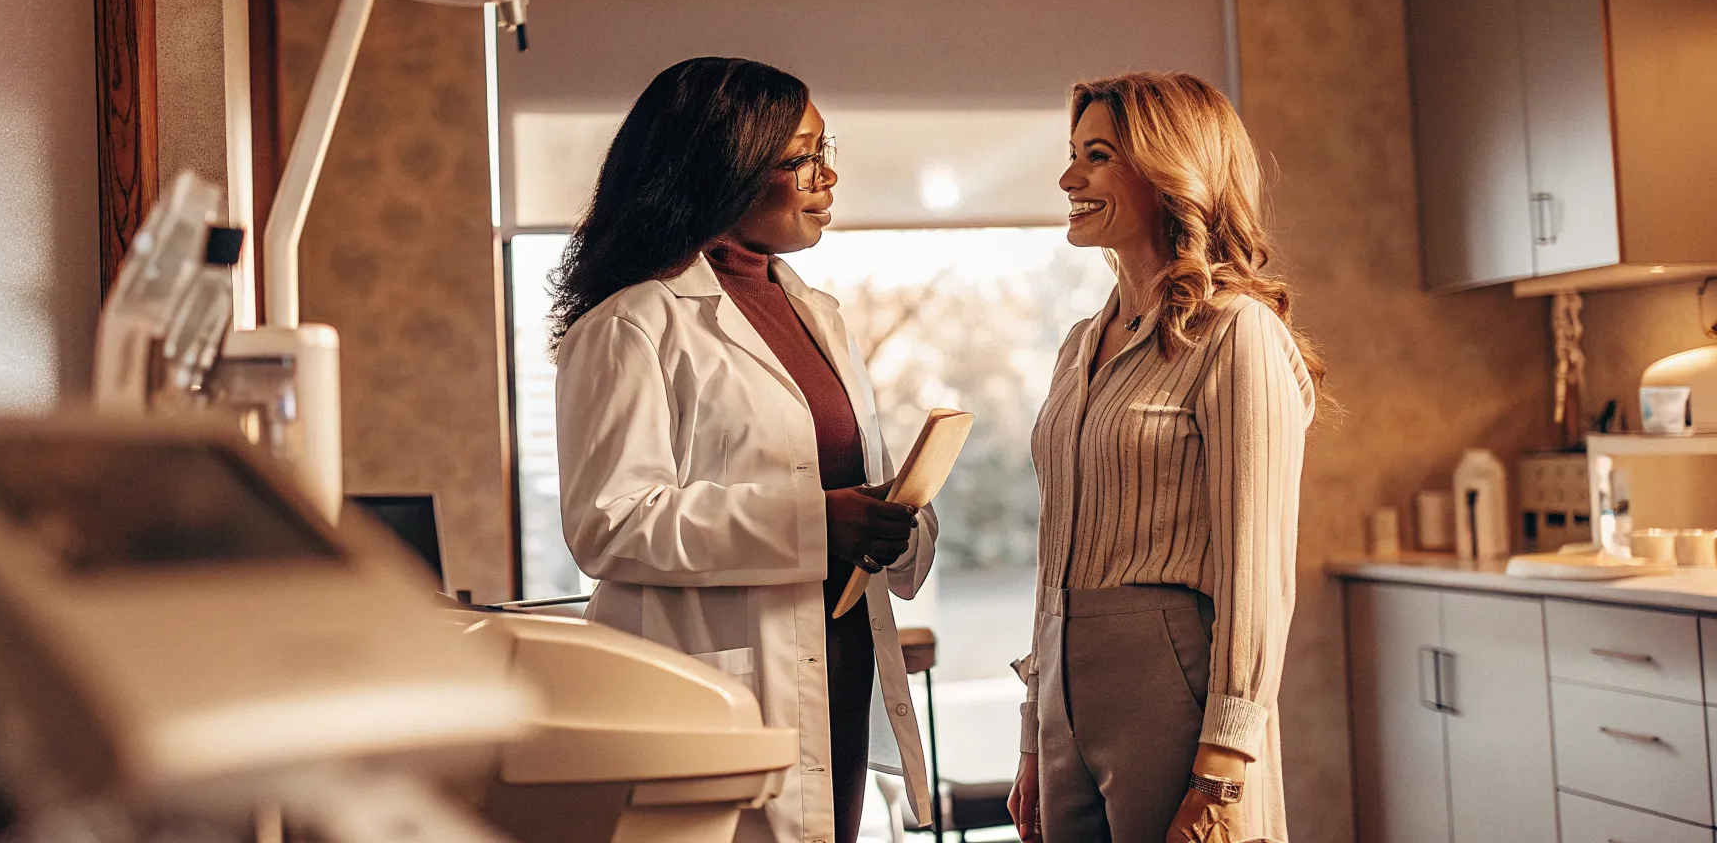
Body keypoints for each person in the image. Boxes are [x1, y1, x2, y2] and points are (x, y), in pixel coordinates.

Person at [552, 56, 938, 843]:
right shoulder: (634, 325)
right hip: (715, 685)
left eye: (828, 152)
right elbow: (610, 522)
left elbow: (840, 484)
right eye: (802, 159)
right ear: (721, 168)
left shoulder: (818, 315)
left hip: (834, 664)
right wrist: (817, 524)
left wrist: (894, 521)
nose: (827, 179)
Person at [1006, 73, 1321, 843]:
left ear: (1167, 169)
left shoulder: (1236, 333)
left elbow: (1258, 569)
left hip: (1172, 690)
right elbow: (1058, 548)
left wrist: (1221, 767)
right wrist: (1033, 732)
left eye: (1098, 156)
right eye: (1073, 154)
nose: (1068, 178)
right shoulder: (1082, 343)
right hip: (1064, 698)